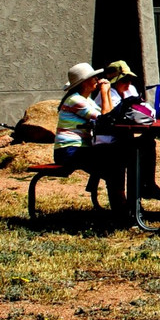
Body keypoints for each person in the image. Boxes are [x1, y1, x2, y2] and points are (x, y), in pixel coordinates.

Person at [55, 62, 127, 219]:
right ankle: (120, 208)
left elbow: (108, 116)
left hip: (81, 148)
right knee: (114, 162)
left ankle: (121, 207)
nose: (96, 79)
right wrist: (105, 90)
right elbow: (105, 118)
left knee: (116, 158)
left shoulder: (86, 100)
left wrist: (105, 93)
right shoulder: (74, 100)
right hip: (69, 150)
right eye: (92, 77)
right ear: (83, 82)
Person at [92, 60, 160, 201]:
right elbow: (110, 116)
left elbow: (144, 110)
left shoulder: (130, 90)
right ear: (114, 82)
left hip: (122, 138)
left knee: (148, 142)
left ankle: (148, 185)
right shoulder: (106, 95)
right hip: (107, 143)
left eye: (130, 79)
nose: (128, 83)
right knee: (137, 151)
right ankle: (138, 198)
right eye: (124, 80)